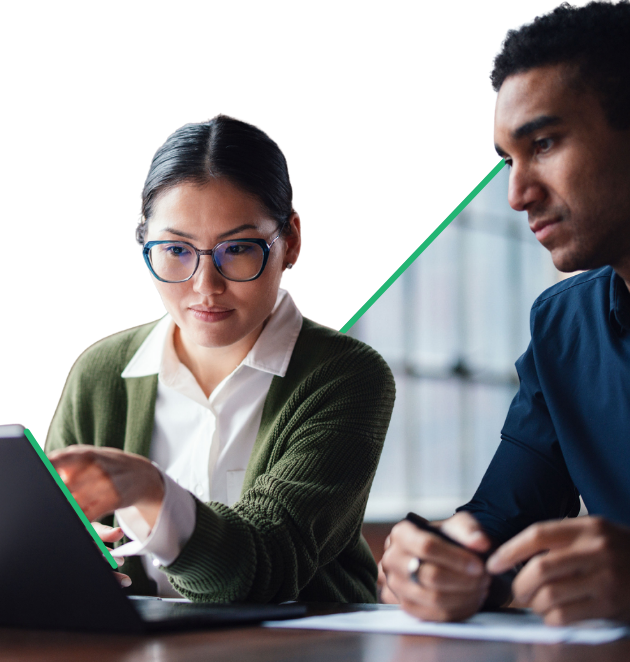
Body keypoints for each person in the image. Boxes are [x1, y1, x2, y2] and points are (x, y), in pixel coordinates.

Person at [380, 0, 630, 625]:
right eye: (507, 161)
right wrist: (439, 564)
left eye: (543, 143)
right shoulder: (561, 329)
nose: (518, 194)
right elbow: (497, 526)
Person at [43, 114, 396, 603]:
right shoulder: (100, 371)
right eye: (175, 250)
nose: (205, 286)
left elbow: (266, 566)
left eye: (239, 249)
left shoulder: (346, 376)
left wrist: (149, 490)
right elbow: (52, 535)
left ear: (290, 241)